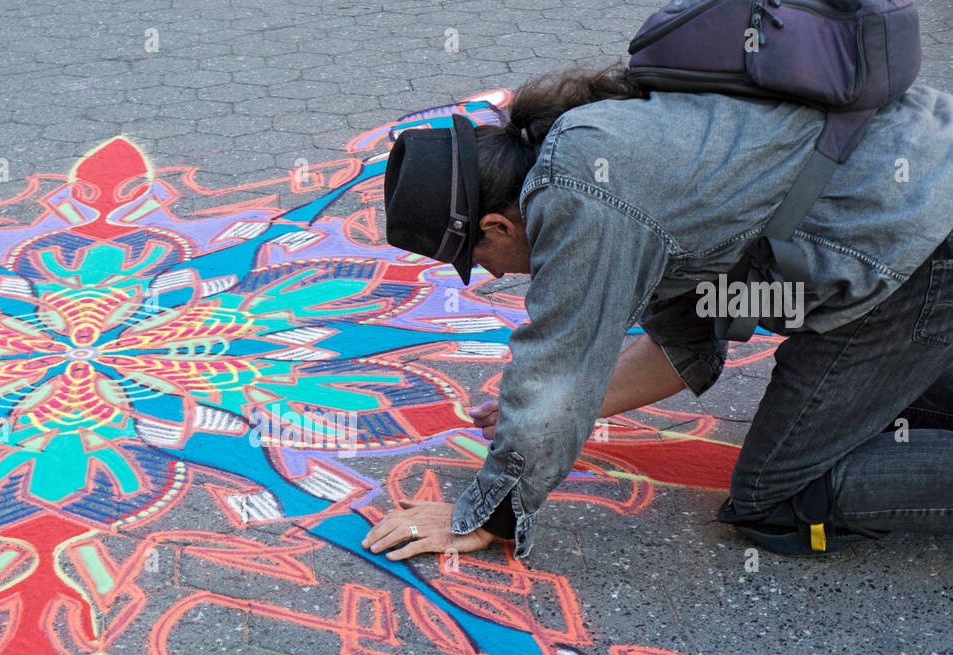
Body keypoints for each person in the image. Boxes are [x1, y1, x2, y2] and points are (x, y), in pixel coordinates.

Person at [362, 64, 953, 563]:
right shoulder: (600, 140)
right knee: (899, 417)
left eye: (479, 258)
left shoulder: (576, 197)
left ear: (496, 224)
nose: (490, 276)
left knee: (776, 500)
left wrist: (484, 515)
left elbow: (556, 366)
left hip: (916, 253)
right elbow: (686, 339)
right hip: (923, 194)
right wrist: (569, 409)